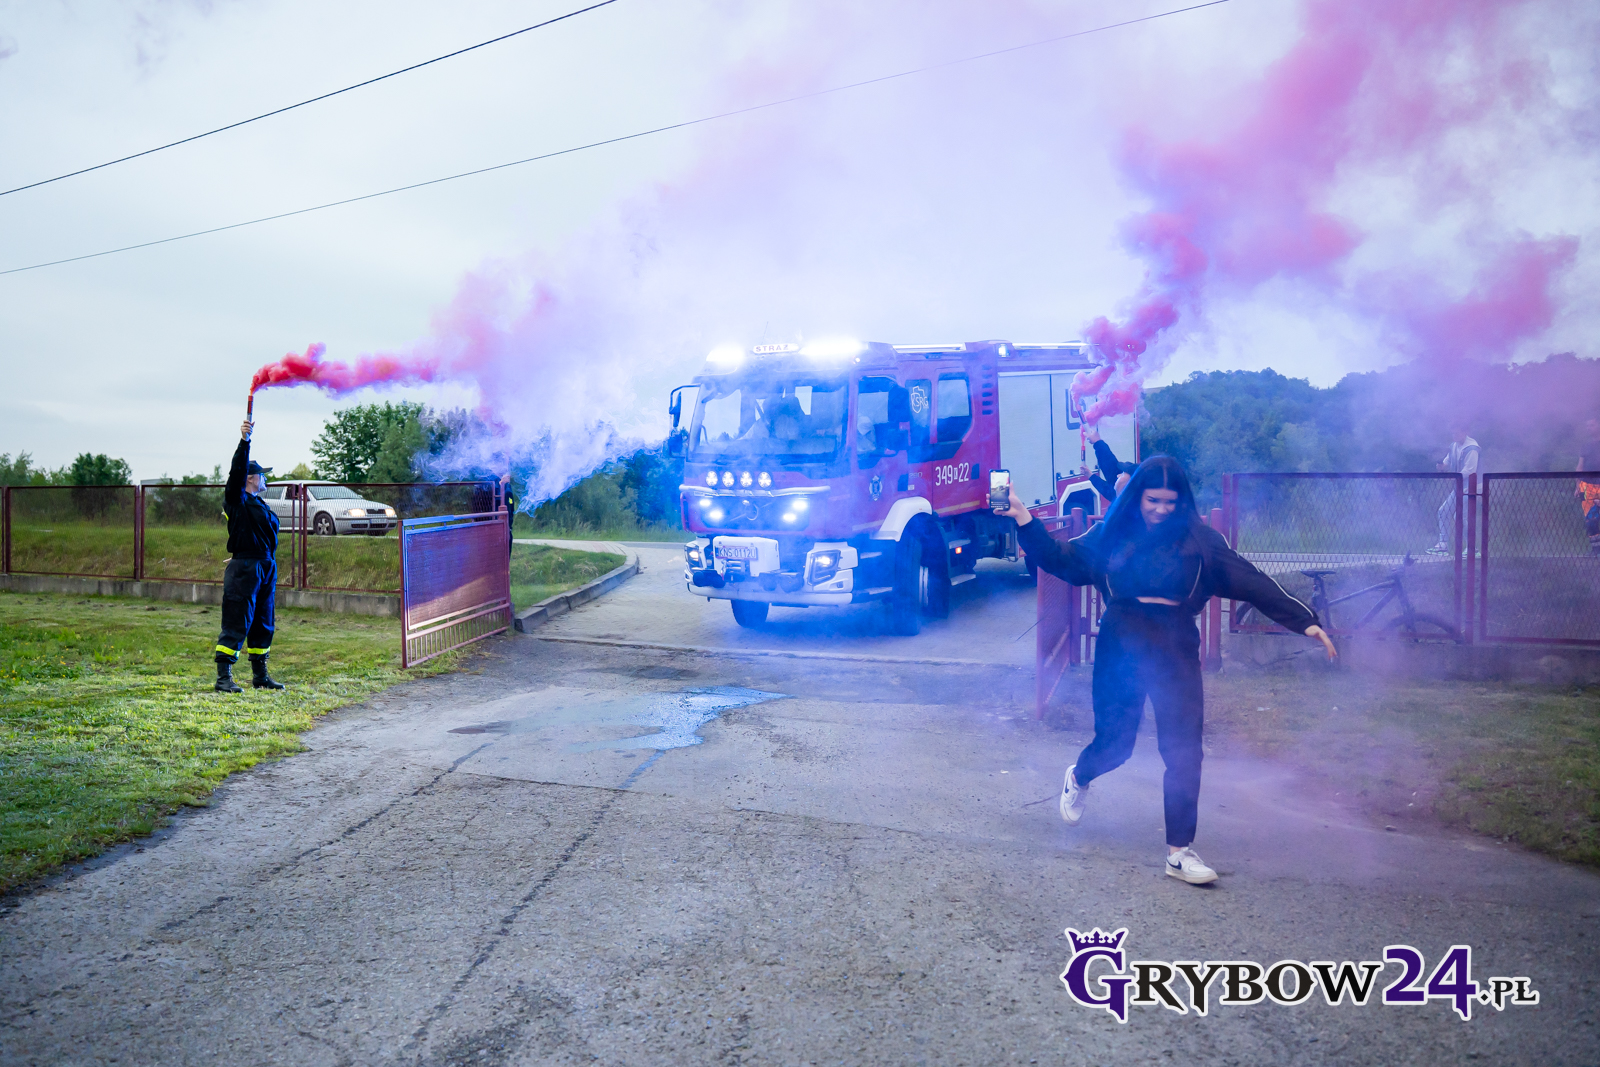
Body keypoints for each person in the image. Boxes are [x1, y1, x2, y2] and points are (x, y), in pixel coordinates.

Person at [999, 456, 1336, 885]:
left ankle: (1179, 852)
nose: (1160, 509)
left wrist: (1305, 621)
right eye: (1152, 500)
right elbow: (1061, 559)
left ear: (1182, 502)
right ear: (1137, 497)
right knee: (1116, 744)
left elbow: (1252, 580)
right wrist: (1024, 518)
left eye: (1169, 502)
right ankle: (1079, 776)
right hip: (1122, 641)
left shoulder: (1201, 542)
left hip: (1175, 645)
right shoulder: (1111, 534)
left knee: (1183, 749)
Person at [213, 419, 285, 693]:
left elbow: (254, 534)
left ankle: (260, 676)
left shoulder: (258, 503)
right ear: (251, 478)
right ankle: (224, 678)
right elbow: (236, 472)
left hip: (264, 565)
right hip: (246, 569)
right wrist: (245, 441)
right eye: (261, 475)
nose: (265, 478)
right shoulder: (237, 499)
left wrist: (247, 553)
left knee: (263, 621)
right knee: (237, 619)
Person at [1429, 423, 1479, 554]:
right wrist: (1442, 466)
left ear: (1465, 432)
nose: (1454, 435)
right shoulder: (1453, 446)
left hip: (1473, 487)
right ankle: (1443, 545)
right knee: (1443, 511)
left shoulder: (1472, 448)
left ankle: (1472, 548)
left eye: (1457, 433)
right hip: (1460, 486)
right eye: (1453, 433)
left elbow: (1470, 470)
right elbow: (1448, 461)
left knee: (1461, 516)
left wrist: (1455, 477)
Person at [1081, 423, 1137, 504]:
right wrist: (1089, 474)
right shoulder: (1123, 497)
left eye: (1123, 474)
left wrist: (1098, 442)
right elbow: (1111, 469)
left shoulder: (1131, 506)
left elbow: (1112, 471)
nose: (1118, 475)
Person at [1576, 417, 1600, 555]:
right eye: (1587, 426)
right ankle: (1596, 549)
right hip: (1587, 487)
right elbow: (1580, 467)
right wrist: (1577, 485)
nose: (1589, 428)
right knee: (1591, 519)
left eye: (1592, 425)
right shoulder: (1586, 446)